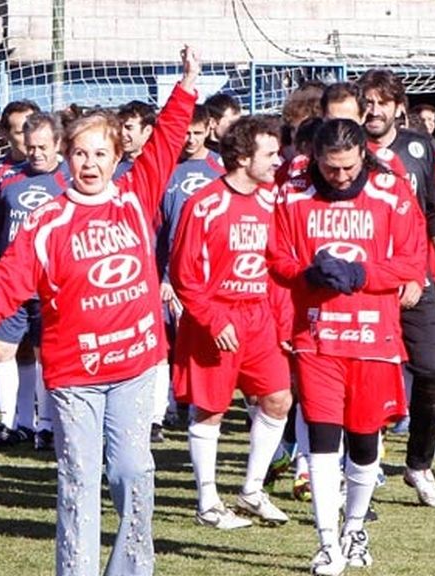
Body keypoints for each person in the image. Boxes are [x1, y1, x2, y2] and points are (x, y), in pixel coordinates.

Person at [0, 45, 199, 576]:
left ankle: (130, 569)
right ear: (65, 157)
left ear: (117, 157)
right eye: (81, 154)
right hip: (75, 376)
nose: (90, 164)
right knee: (78, 477)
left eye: (101, 154)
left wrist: (188, 83)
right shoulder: (48, 223)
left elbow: (168, 140)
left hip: (134, 367)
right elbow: (5, 282)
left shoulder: (135, 197)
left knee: (132, 472)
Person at [267, 119, 424, 575]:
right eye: (330, 168)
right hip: (316, 337)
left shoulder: (390, 191)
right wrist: (305, 274)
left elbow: (412, 261)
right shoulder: (293, 193)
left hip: (374, 336)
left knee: (363, 440)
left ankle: (355, 527)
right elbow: (275, 256)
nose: (340, 177)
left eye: (348, 168)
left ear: (362, 156)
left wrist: (363, 276)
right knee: (321, 437)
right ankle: (327, 541)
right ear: (315, 157)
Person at [170, 115, 291, 530]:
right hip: (215, 318)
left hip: (258, 318)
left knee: (278, 398)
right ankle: (207, 502)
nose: (278, 161)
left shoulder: (271, 200)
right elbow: (184, 275)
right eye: (270, 154)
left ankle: (252, 491)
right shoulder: (203, 204)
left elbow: (277, 263)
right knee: (210, 411)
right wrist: (211, 319)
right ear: (242, 157)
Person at [358, 69, 435, 508]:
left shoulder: (418, 148)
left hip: (418, 277)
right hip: (368, 283)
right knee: (369, 375)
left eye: (381, 102)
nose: (372, 110)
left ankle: (418, 464)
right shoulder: (348, 149)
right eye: (367, 102)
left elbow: (434, 209)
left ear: (399, 107)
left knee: (434, 369)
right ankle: (359, 466)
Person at [0, 112, 69, 452]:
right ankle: (11, 422)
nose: (36, 154)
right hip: (10, 281)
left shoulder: (71, 180)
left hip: (53, 282)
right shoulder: (2, 178)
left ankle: (45, 425)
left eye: (43, 147)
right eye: (30, 147)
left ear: (58, 144)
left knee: (46, 354)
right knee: (4, 350)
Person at [154, 105, 225, 443]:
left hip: (209, 274)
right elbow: (159, 228)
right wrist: (162, 274)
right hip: (169, 272)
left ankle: (204, 401)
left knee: (200, 338)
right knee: (166, 339)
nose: (190, 139)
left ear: (208, 129)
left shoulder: (219, 167)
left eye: (197, 132)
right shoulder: (167, 168)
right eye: (185, 131)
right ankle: (170, 404)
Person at [115, 100, 156, 179]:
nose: (122, 133)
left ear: (147, 130)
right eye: (119, 127)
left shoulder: (159, 165)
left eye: (129, 128)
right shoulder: (111, 167)